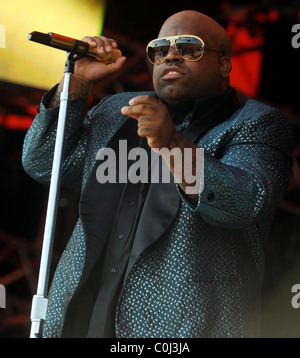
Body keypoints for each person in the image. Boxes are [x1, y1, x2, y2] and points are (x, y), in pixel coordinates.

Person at [22, 10, 293, 338]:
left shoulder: (256, 123)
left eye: (190, 47)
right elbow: (44, 165)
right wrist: (76, 83)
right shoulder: (116, 111)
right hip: (81, 319)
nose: (172, 55)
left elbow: (245, 203)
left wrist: (173, 144)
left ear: (224, 64)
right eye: (159, 50)